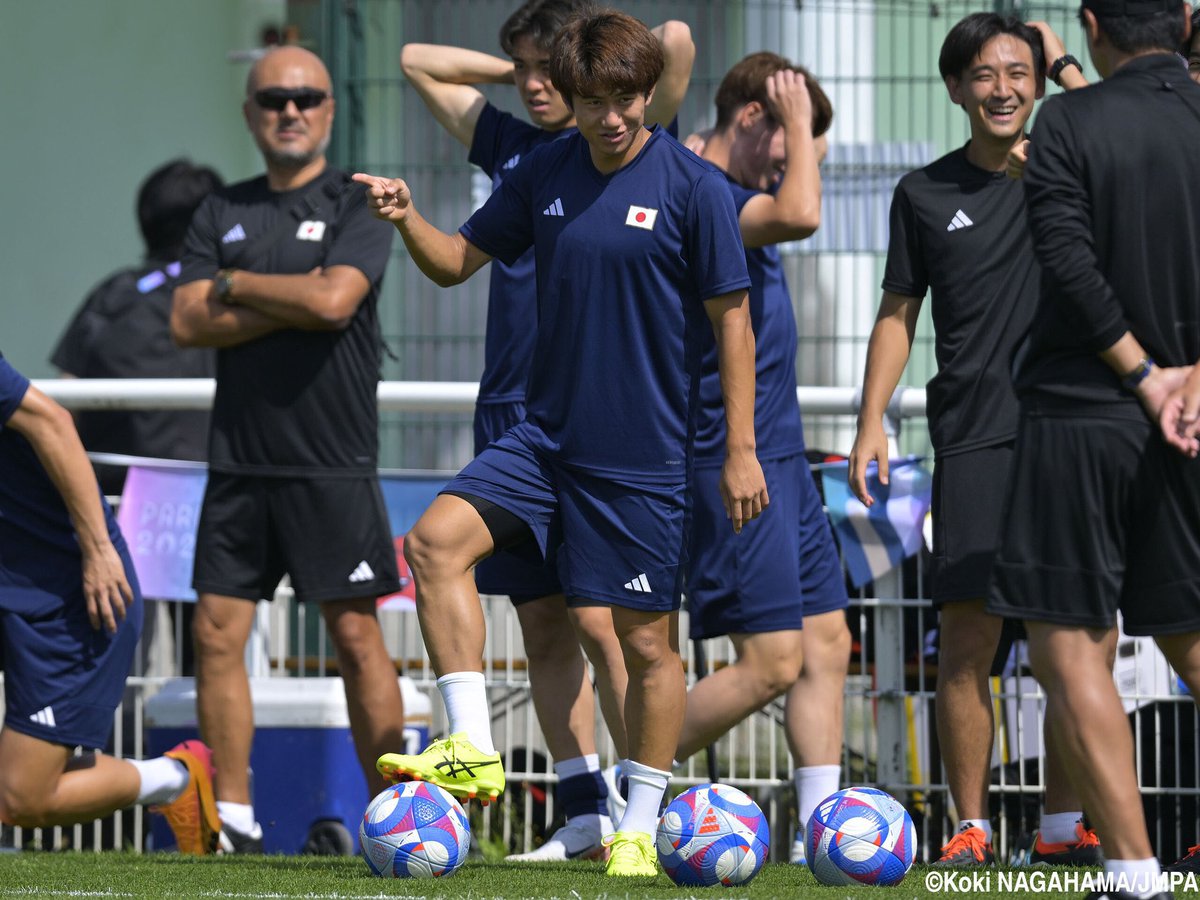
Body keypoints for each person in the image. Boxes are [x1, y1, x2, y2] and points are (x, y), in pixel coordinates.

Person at [356, 7, 764, 878]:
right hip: (543, 440)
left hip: (642, 456)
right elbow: (456, 260)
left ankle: (639, 826)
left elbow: (734, 325)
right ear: (569, 99)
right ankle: (470, 743)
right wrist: (404, 217)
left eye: (626, 100)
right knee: (432, 545)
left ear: (647, 93)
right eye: (593, 102)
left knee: (644, 643)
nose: (611, 119)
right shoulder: (542, 168)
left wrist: (741, 448)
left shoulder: (693, 188)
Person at [849, 13, 1103, 868]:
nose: (1003, 89)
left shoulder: (1075, 170)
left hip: (1072, 434)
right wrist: (869, 419)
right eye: (985, 75)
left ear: (1036, 82)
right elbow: (897, 312)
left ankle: (1063, 829)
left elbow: (1126, 122)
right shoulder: (923, 193)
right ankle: (972, 827)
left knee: (1074, 638)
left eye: (1018, 73)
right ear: (956, 87)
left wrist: (1063, 61)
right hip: (975, 437)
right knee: (970, 641)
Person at [170, 45, 406, 854]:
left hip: (330, 461)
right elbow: (184, 320)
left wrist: (234, 284)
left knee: (354, 638)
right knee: (215, 635)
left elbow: (338, 301)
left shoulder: (359, 201)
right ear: (251, 113)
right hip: (238, 460)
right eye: (273, 98)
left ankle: (394, 817)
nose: (290, 110)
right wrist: (295, 298)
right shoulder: (217, 208)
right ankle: (232, 820)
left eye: (306, 97)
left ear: (329, 111)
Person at [986, 1, 1199, 896]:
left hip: (1084, 408)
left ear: (1088, 21)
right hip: (1191, 415)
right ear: (1186, 19)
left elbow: (1068, 263)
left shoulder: (1068, 119)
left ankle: (1135, 870)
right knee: (1190, 634)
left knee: (1071, 647)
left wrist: (1146, 374)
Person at [623, 52, 852, 865]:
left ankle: (825, 838)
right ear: (750, 118)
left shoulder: (731, 179)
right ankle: (625, 793)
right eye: (786, 140)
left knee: (827, 643)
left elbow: (796, 182)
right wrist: (792, 121)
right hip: (733, 456)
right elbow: (801, 215)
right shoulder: (702, 192)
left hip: (784, 456)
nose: (797, 162)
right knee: (771, 661)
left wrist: (797, 122)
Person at [0, 353, 219, 855]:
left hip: (70, 600)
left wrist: (98, 550)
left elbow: (51, 421)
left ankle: (176, 777)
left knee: (21, 799)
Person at [51, 159, 222, 498]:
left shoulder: (111, 296)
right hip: (218, 501)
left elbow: (63, 406)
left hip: (116, 506)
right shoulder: (238, 297)